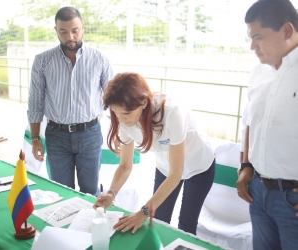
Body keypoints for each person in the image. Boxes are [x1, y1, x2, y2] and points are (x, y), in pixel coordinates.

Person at [93, 72, 215, 235]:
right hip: (166, 165)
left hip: (198, 164)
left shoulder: (171, 111)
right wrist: (111, 193)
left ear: (143, 102)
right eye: (116, 113)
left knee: (186, 222)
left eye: (126, 113)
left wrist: (143, 212)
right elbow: (124, 166)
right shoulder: (124, 122)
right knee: (158, 218)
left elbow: (176, 174)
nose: (120, 120)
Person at [27, 7, 113, 196]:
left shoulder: (100, 59)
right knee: (60, 192)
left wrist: (119, 133)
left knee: (90, 193)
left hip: (90, 134)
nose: (70, 36)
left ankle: (88, 225)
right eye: (63, 31)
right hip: (56, 135)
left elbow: (113, 100)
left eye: (75, 30)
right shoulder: (42, 61)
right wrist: (35, 139)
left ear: (83, 27)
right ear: (56, 30)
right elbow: (35, 101)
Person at [236, 0, 298, 249]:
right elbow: (251, 121)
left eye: (258, 37)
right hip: (258, 192)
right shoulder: (258, 71)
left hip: (292, 201)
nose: (252, 46)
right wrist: (246, 165)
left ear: (286, 31)